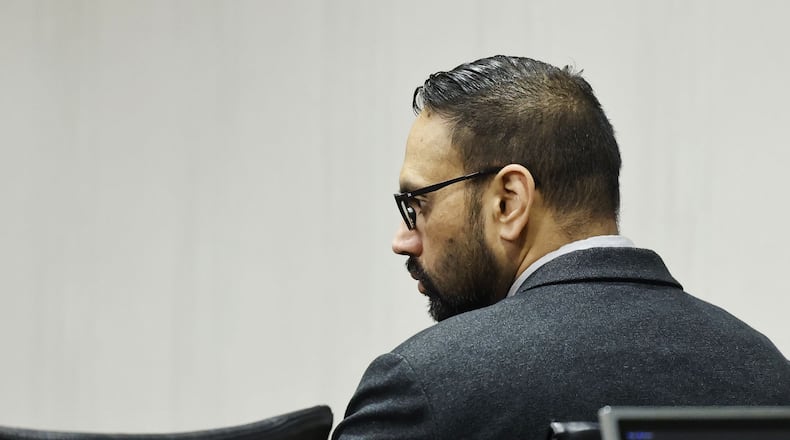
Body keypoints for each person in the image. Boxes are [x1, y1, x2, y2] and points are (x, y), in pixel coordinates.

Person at [332, 55, 790, 440]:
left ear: (509, 201)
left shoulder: (424, 388)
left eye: (417, 203)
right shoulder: (768, 373)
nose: (402, 239)